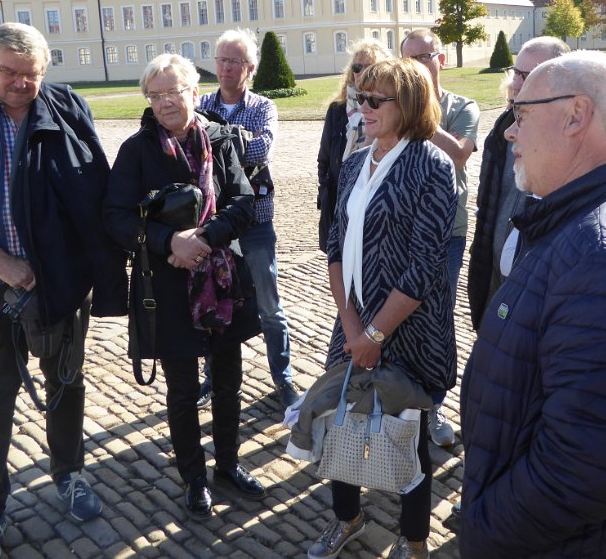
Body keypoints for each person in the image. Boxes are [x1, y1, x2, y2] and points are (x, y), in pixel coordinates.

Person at [458, 51, 606, 558]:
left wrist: (482, 529)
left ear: (576, 116)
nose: (509, 132)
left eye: (521, 114)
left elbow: (578, 473)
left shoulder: (601, 255)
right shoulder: (601, 217)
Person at [0, 23, 126, 559]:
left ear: (45, 69)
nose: (20, 83)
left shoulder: (68, 107)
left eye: (31, 74)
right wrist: (5, 265)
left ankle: (69, 472)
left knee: (66, 380)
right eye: (9, 72)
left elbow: (95, 187)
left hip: (62, 278)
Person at [104, 53, 266, 519]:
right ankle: (194, 477)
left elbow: (243, 202)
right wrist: (168, 241)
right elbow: (115, 217)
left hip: (222, 282)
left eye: (173, 92)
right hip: (167, 287)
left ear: (195, 92)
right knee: (181, 390)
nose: (164, 103)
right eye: (155, 95)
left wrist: (204, 239)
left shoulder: (220, 138)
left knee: (229, 383)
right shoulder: (137, 150)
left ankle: (228, 464)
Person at [308, 59, 457, 559]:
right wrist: (353, 327)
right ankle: (347, 518)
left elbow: (424, 266)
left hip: (409, 328)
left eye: (375, 100)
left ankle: (413, 540)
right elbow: (334, 244)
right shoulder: (355, 162)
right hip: (353, 323)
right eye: (360, 98)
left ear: (408, 104)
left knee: (408, 436)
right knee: (343, 420)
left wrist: (375, 335)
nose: (363, 107)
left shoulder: (432, 166)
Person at [198, 29, 299, 408]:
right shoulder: (200, 103)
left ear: (250, 68)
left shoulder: (262, 107)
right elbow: (192, 150)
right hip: (214, 222)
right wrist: (235, 139)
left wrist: (216, 142)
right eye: (222, 59)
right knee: (213, 301)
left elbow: (260, 149)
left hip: (255, 221)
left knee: (269, 305)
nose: (226, 67)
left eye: (235, 61)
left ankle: (284, 379)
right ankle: (212, 378)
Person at [399, 28, 479, 447]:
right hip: (400, 230)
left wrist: (418, 113)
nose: (417, 66)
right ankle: (400, 403)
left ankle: (434, 405)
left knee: (437, 318)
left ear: (441, 59)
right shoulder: (393, 105)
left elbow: (459, 154)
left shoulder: (462, 107)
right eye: (409, 59)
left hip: (447, 233)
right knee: (397, 315)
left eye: (424, 57)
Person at [466, 36, 569, 331]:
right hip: (494, 274)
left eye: (529, 74)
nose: (517, 83)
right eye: (516, 72)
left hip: (535, 288)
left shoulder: (566, 139)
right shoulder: (501, 131)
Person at [317, 38, 392, 253]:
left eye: (369, 67)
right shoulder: (337, 109)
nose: (361, 72)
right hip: (340, 199)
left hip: (376, 199)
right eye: (357, 67)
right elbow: (324, 159)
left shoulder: (390, 109)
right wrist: (326, 193)